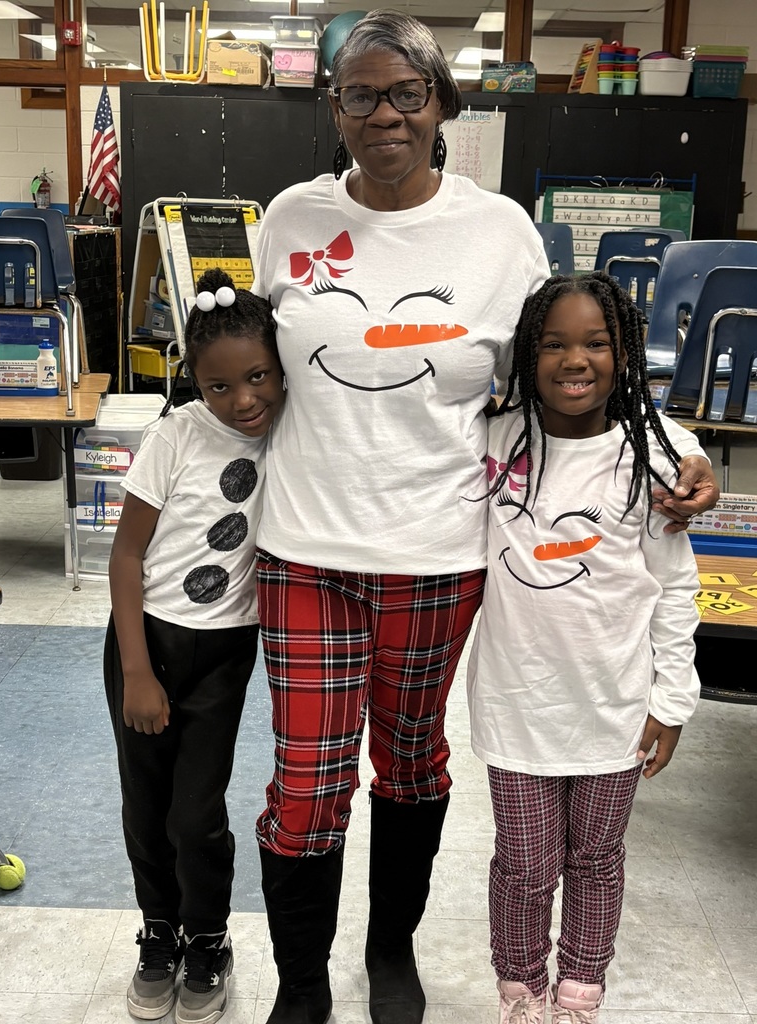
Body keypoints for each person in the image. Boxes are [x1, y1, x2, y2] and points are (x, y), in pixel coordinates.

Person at [250, 11, 717, 1024]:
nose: (383, 113)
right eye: (360, 94)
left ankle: (388, 955)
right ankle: (299, 980)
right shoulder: (286, 219)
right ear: (334, 107)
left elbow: (570, 372)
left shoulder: (500, 231)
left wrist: (678, 450)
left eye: (405, 93)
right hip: (303, 545)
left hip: (439, 550)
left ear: (440, 104)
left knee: (411, 764)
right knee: (306, 782)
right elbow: (248, 379)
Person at [467, 272, 701, 1024]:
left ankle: (580, 993)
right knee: (527, 865)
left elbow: (675, 589)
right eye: (555, 344)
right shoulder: (493, 444)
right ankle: (521, 989)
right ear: (525, 355)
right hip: (517, 708)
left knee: (597, 859)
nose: (577, 360)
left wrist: (671, 701)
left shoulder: (655, 465)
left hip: (616, 711)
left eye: (597, 343)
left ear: (625, 354)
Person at [104, 267, 284, 1024]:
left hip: (222, 654)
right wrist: (139, 672)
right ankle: (159, 934)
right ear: (194, 383)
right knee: (146, 810)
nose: (243, 400)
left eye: (258, 378)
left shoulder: (292, 429)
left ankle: (208, 937)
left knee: (194, 813)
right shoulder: (172, 436)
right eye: (219, 387)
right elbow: (125, 557)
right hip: (142, 647)